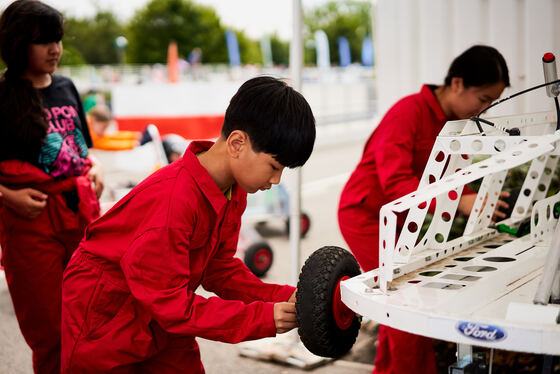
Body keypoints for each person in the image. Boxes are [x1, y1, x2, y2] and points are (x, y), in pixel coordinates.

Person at [61, 76, 316, 373]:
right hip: (107, 315)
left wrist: (280, 297)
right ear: (237, 143)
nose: (276, 180)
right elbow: (171, 304)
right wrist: (263, 318)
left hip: (163, 308)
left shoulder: (234, 191)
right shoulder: (173, 201)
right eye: (274, 166)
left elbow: (218, 268)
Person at [338, 45, 510, 374]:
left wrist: (479, 200)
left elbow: (458, 177)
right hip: (367, 215)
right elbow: (395, 182)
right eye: (483, 99)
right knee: (406, 307)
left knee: (397, 303)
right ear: (457, 83)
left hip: (406, 219)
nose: (483, 110)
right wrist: (459, 202)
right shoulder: (408, 112)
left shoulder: (455, 123)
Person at [0, 1, 103, 373]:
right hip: (30, 225)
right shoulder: (3, 94)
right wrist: (6, 194)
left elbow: (81, 146)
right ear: (16, 44)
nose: (54, 49)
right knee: (50, 332)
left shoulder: (66, 86)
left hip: (81, 217)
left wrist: (95, 169)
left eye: (57, 39)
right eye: (43, 41)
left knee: (93, 322)